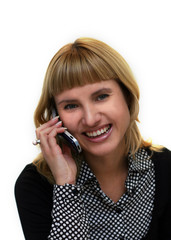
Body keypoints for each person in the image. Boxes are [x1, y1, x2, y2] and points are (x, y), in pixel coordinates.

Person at [15, 38, 171, 240]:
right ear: (56, 117)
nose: (90, 119)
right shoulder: (35, 186)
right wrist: (66, 186)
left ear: (127, 96)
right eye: (71, 105)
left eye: (101, 96)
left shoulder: (164, 168)